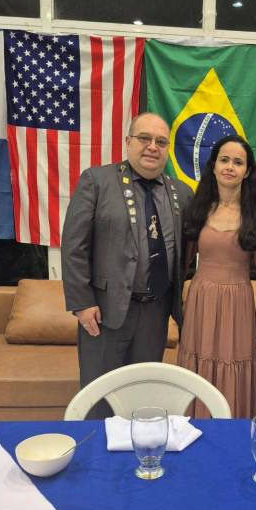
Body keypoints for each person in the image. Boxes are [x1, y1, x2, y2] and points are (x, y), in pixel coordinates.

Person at [61, 112, 193, 416]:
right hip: (104, 312)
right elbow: (74, 246)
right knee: (100, 398)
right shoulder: (97, 181)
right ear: (128, 141)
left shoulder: (181, 193)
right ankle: (97, 446)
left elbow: (189, 252)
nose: (152, 147)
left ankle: (139, 446)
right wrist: (82, 303)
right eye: (144, 138)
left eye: (161, 141)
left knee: (142, 397)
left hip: (156, 312)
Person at [177, 135, 256, 418]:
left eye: (238, 162)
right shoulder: (197, 208)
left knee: (234, 360)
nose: (230, 167)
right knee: (198, 361)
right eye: (224, 160)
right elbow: (180, 264)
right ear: (213, 166)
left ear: (247, 171)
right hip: (201, 300)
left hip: (238, 302)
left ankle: (233, 428)